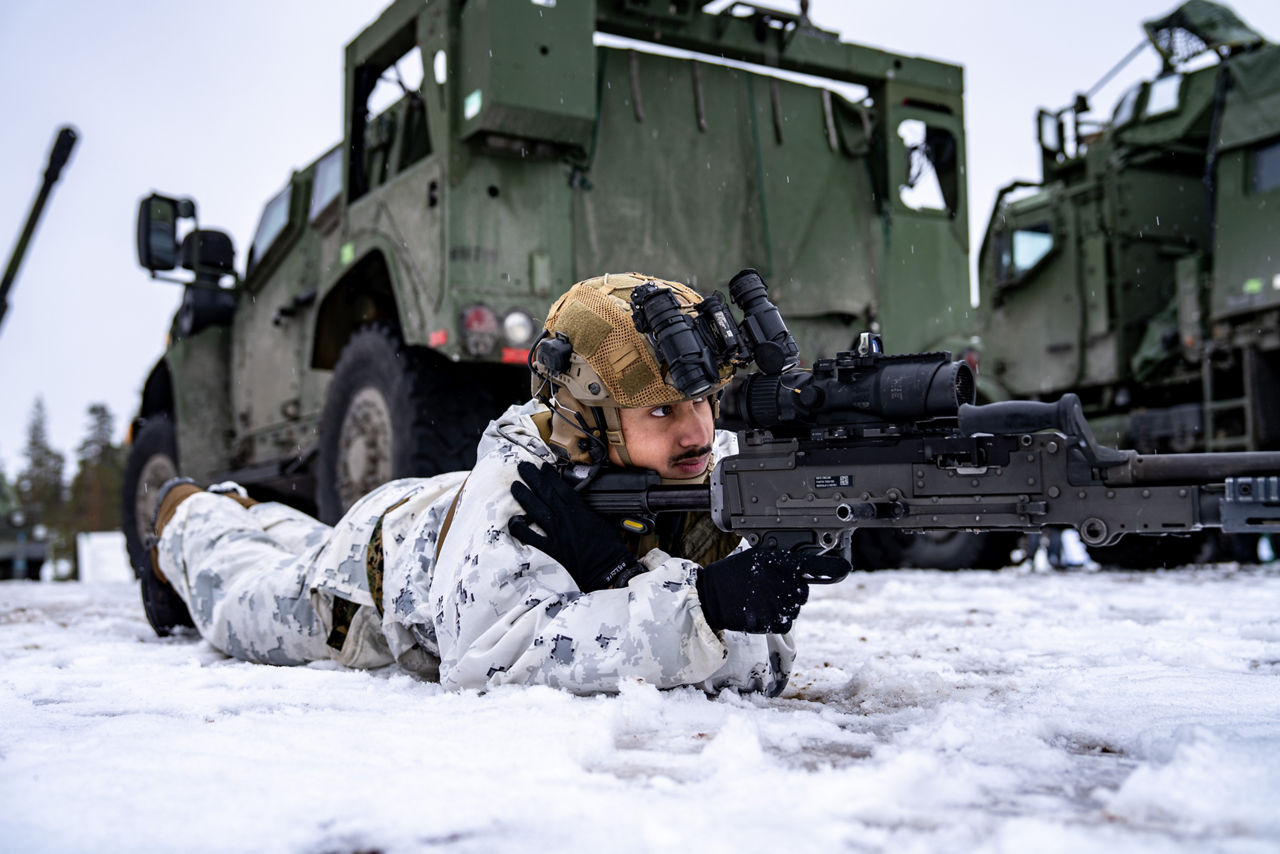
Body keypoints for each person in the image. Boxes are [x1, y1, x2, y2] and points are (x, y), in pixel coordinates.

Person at [143, 272, 846, 696]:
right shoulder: (518, 491)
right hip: (369, 575)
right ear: (590, 415)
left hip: (443, 526)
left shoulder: (708, 470)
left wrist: (646, 581)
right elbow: (486, 661)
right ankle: (189, 515)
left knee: (289, 540)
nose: (697, 431)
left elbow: (758, 667)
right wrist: (700, 604)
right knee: (235, 601)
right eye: (662, 409)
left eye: (701, 401)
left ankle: (247, 510)